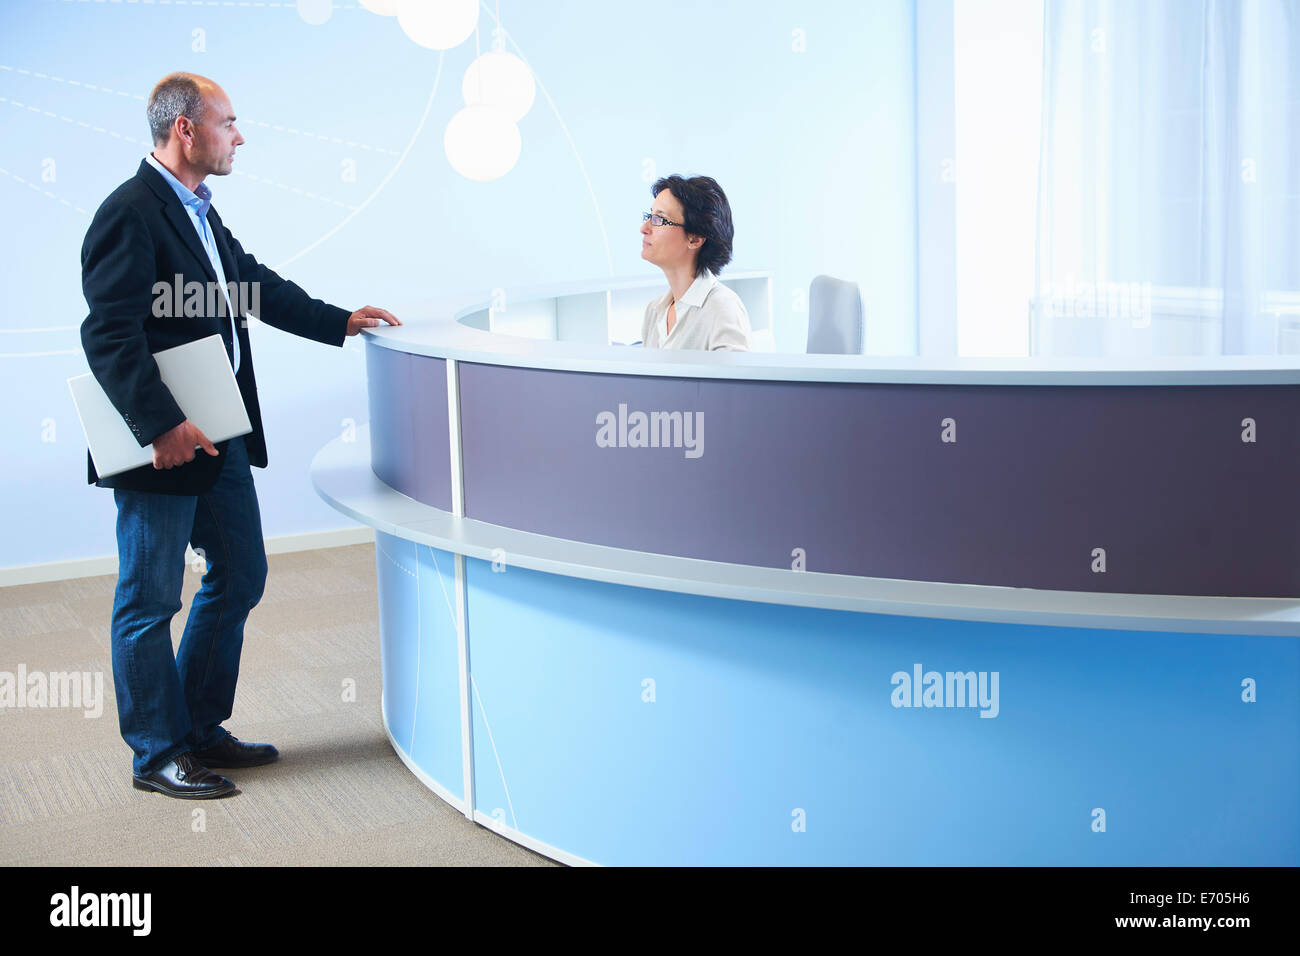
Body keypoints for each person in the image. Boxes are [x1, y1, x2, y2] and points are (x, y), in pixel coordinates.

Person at [79, 72, 401, 799]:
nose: (240, 135)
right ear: (186, 130)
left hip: (218, 435)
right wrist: (160, 424)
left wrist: (337, 320)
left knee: (240, 574)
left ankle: (195, 727)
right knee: (149, 599)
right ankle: (157, 754)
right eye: (229, 122)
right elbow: (108, 334)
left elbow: (247, 284)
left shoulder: (196, 210)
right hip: (162, 445)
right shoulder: (130, 212)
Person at [639, 174, 751, 351]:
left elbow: (733, 379)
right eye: (649, 216)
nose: (644, 228)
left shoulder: (722, 307)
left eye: (659, 219)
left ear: (695, 239)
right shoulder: (654, 311)